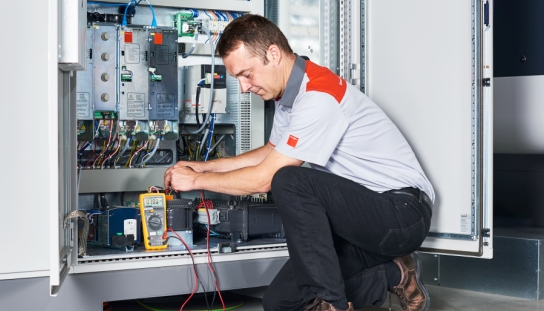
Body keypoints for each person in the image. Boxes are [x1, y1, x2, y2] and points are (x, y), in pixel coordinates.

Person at [164, 14, 434, 311]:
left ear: (273, 54)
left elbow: (264, 178)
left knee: (289, 181)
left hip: (401, 216)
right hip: (359, 221)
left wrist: (196, 181)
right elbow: (271, 152)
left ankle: (330, 304)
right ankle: (396, 273)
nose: (243, 87)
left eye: (246, 74)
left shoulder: (318, 95)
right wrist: (203, 167)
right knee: (280, 303)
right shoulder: (289, 96)